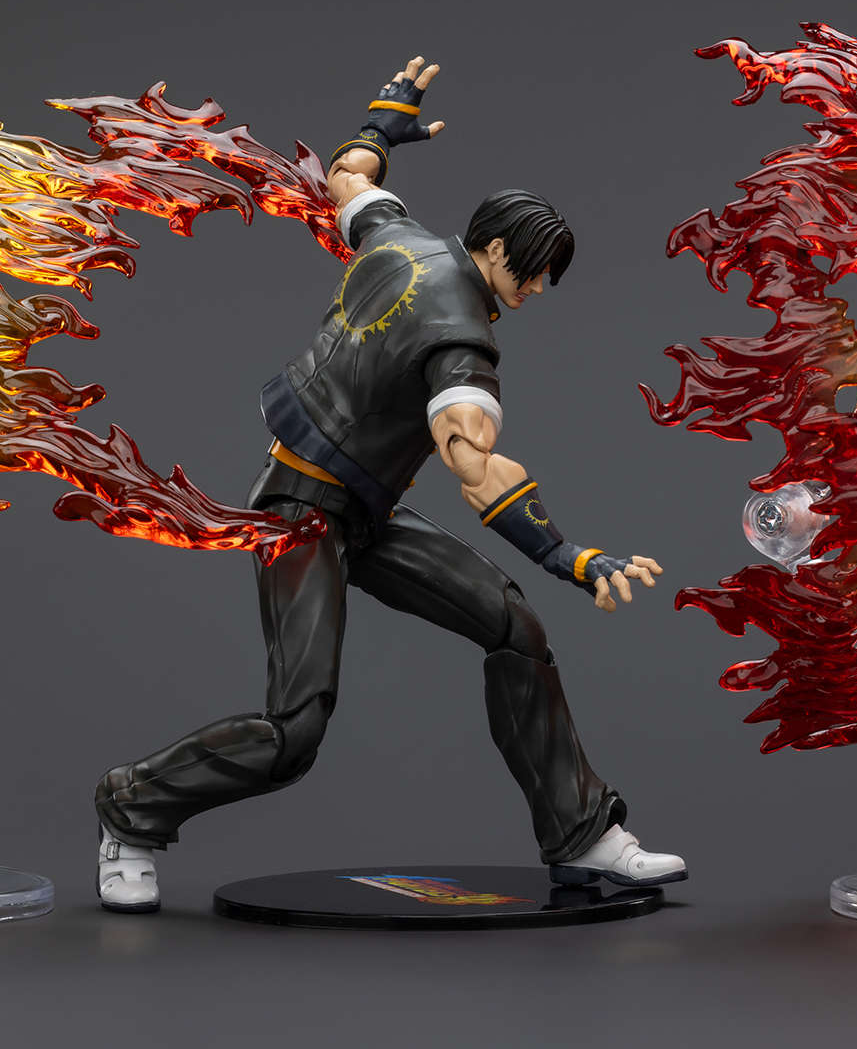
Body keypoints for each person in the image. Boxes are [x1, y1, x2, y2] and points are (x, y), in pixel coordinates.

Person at [95, 57, 683, 912]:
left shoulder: (398, 234)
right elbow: (473, 466)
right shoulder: (462, 341)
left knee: (513, 630)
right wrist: (569, 556)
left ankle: (579, 833)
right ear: (493, 249)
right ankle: (129, 811)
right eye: (531, 270)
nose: (537, 288)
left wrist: (383, 122)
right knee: (295, 731)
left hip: (363, 511)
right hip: (299, 517)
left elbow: (349, 178)